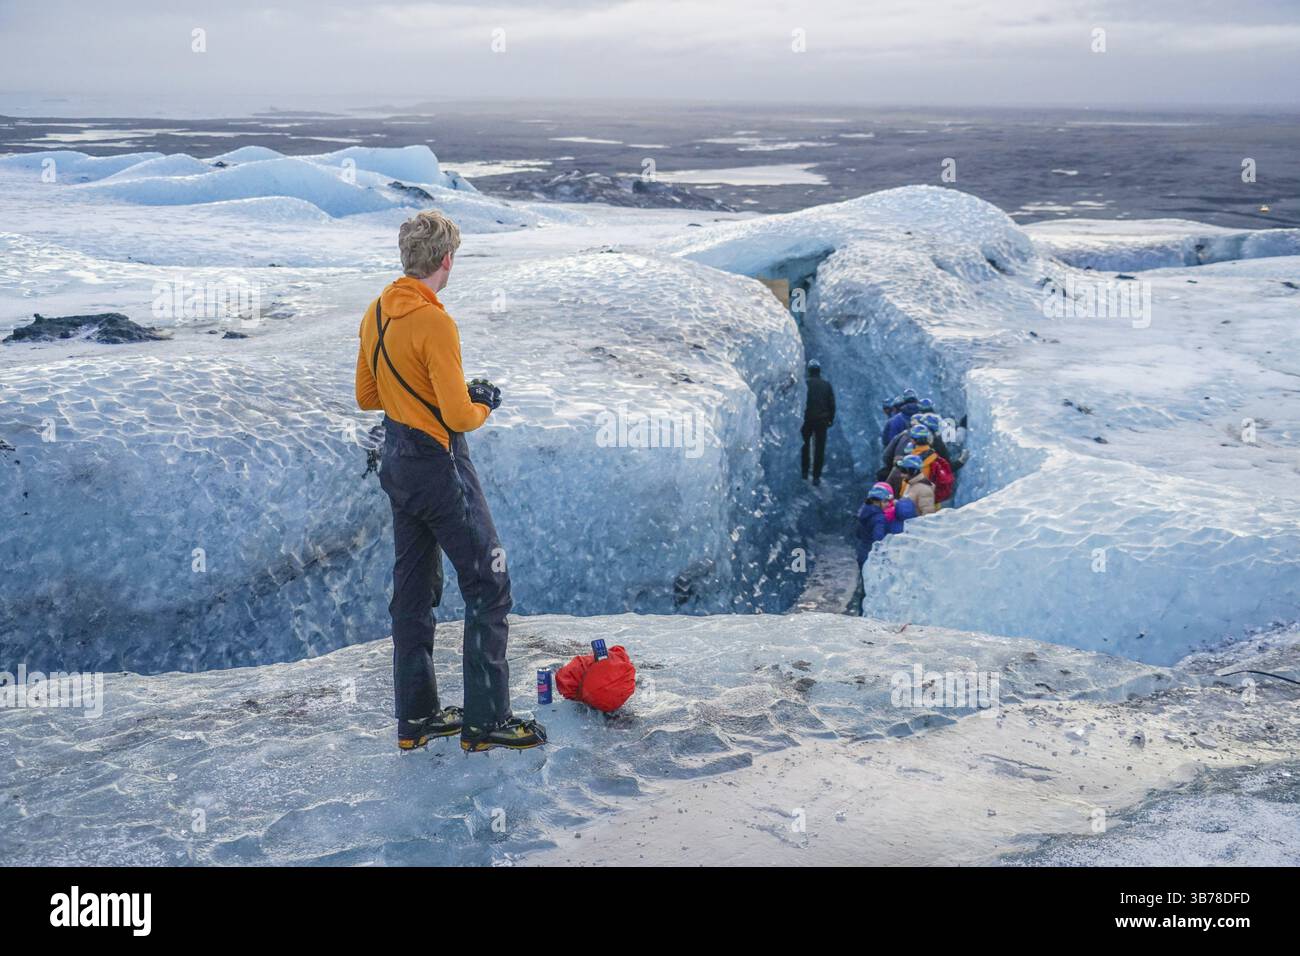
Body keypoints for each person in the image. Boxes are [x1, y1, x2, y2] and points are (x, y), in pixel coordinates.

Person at [355, 209, 546, 754]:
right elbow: (459, 417)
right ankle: (485, 722)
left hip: (397, 460)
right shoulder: (435, 321)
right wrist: (482, 402)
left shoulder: (377, 312)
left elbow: (367, 397)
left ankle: (415, 719)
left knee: (412, 594)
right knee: (488, 583)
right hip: (440, 463)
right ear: (446, 260)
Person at [801, 359, 835, 486]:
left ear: (809, 371)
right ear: (819, 370)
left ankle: (804, 472)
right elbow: (832, 404)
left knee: (805, 446)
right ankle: (816, 476)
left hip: (807, 419)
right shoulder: (826, 385)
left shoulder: (805, 384)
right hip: (822, 420)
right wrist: (831, 418)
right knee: (819, 448)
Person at [902, 424, 955, 506]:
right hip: (934, 502)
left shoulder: (912, 462)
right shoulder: (935, 457)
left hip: (917, 505)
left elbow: (907, 487)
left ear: (913, 441)